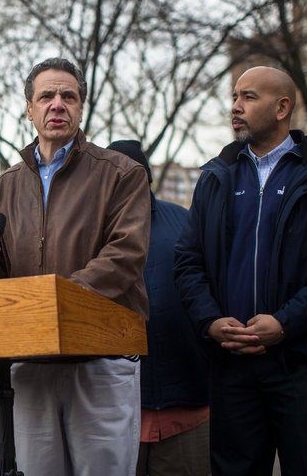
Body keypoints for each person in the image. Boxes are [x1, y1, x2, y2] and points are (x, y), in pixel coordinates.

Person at [0, 58, 151, 476]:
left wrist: (52, 303)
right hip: (30, 361)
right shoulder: (0, 188)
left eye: (69, 96)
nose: (58, 104)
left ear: (81, 107)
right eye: (46, 96)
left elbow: (125, 255)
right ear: (29, 109)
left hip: (100, 356)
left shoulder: (122, 174)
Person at [174, 66, 307, 475]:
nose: (235, 107)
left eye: (249, 97)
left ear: (282, 107)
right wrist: (210, 321)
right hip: (232, 367)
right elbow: (188, 260)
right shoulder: (215, 178)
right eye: (235, 96)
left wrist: (285, 323)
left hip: (306, 367)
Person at [107, 140, 209, 476]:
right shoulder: (91, 230)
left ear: (146, 177)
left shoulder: (183, 222)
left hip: (187, 406)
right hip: (113, 413)